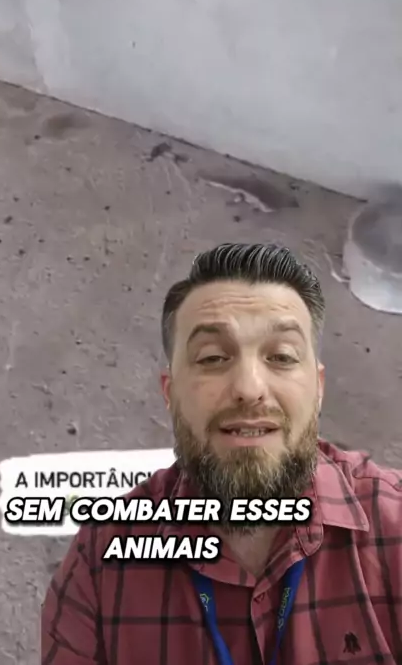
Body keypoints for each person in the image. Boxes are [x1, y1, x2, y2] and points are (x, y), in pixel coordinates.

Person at [41, 242, 402, 665]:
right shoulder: (100, 561)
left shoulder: (395, 526)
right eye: (212, 358)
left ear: (318, 388)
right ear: (170, 393)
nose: (249, 388)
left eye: (281, 356)